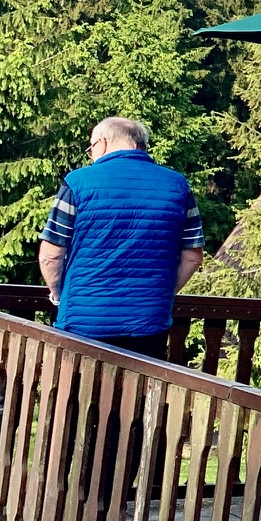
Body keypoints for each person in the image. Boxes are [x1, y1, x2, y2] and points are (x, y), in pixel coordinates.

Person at [37, 117, 205, 359]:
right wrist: (160, 294)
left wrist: (59, 295)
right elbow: (193, 257)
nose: (91, 156)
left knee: (79, 383)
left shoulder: (77, 182)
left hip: (84, 320)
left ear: (102, 143)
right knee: (141, 384)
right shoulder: (178, 186)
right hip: (149, 322)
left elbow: (51, 254)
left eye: (90, 149)